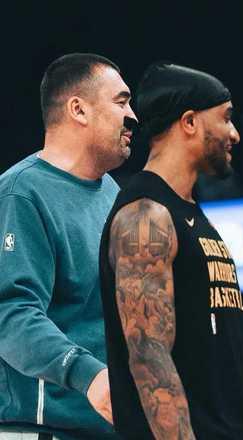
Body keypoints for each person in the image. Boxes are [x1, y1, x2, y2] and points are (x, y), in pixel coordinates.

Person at [99, 63, 243, 440]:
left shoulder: (189, 213)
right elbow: (148, 357)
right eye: (226, 118)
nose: (234, 134)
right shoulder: (145, 215)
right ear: (189, 122)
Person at [0, 53, 136, 439]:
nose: (133, 116)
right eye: (122, 102)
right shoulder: (20, 193)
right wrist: (88, 375)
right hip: (40, 430)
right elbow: (10, 313)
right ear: (78, 109)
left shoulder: (115, 195)